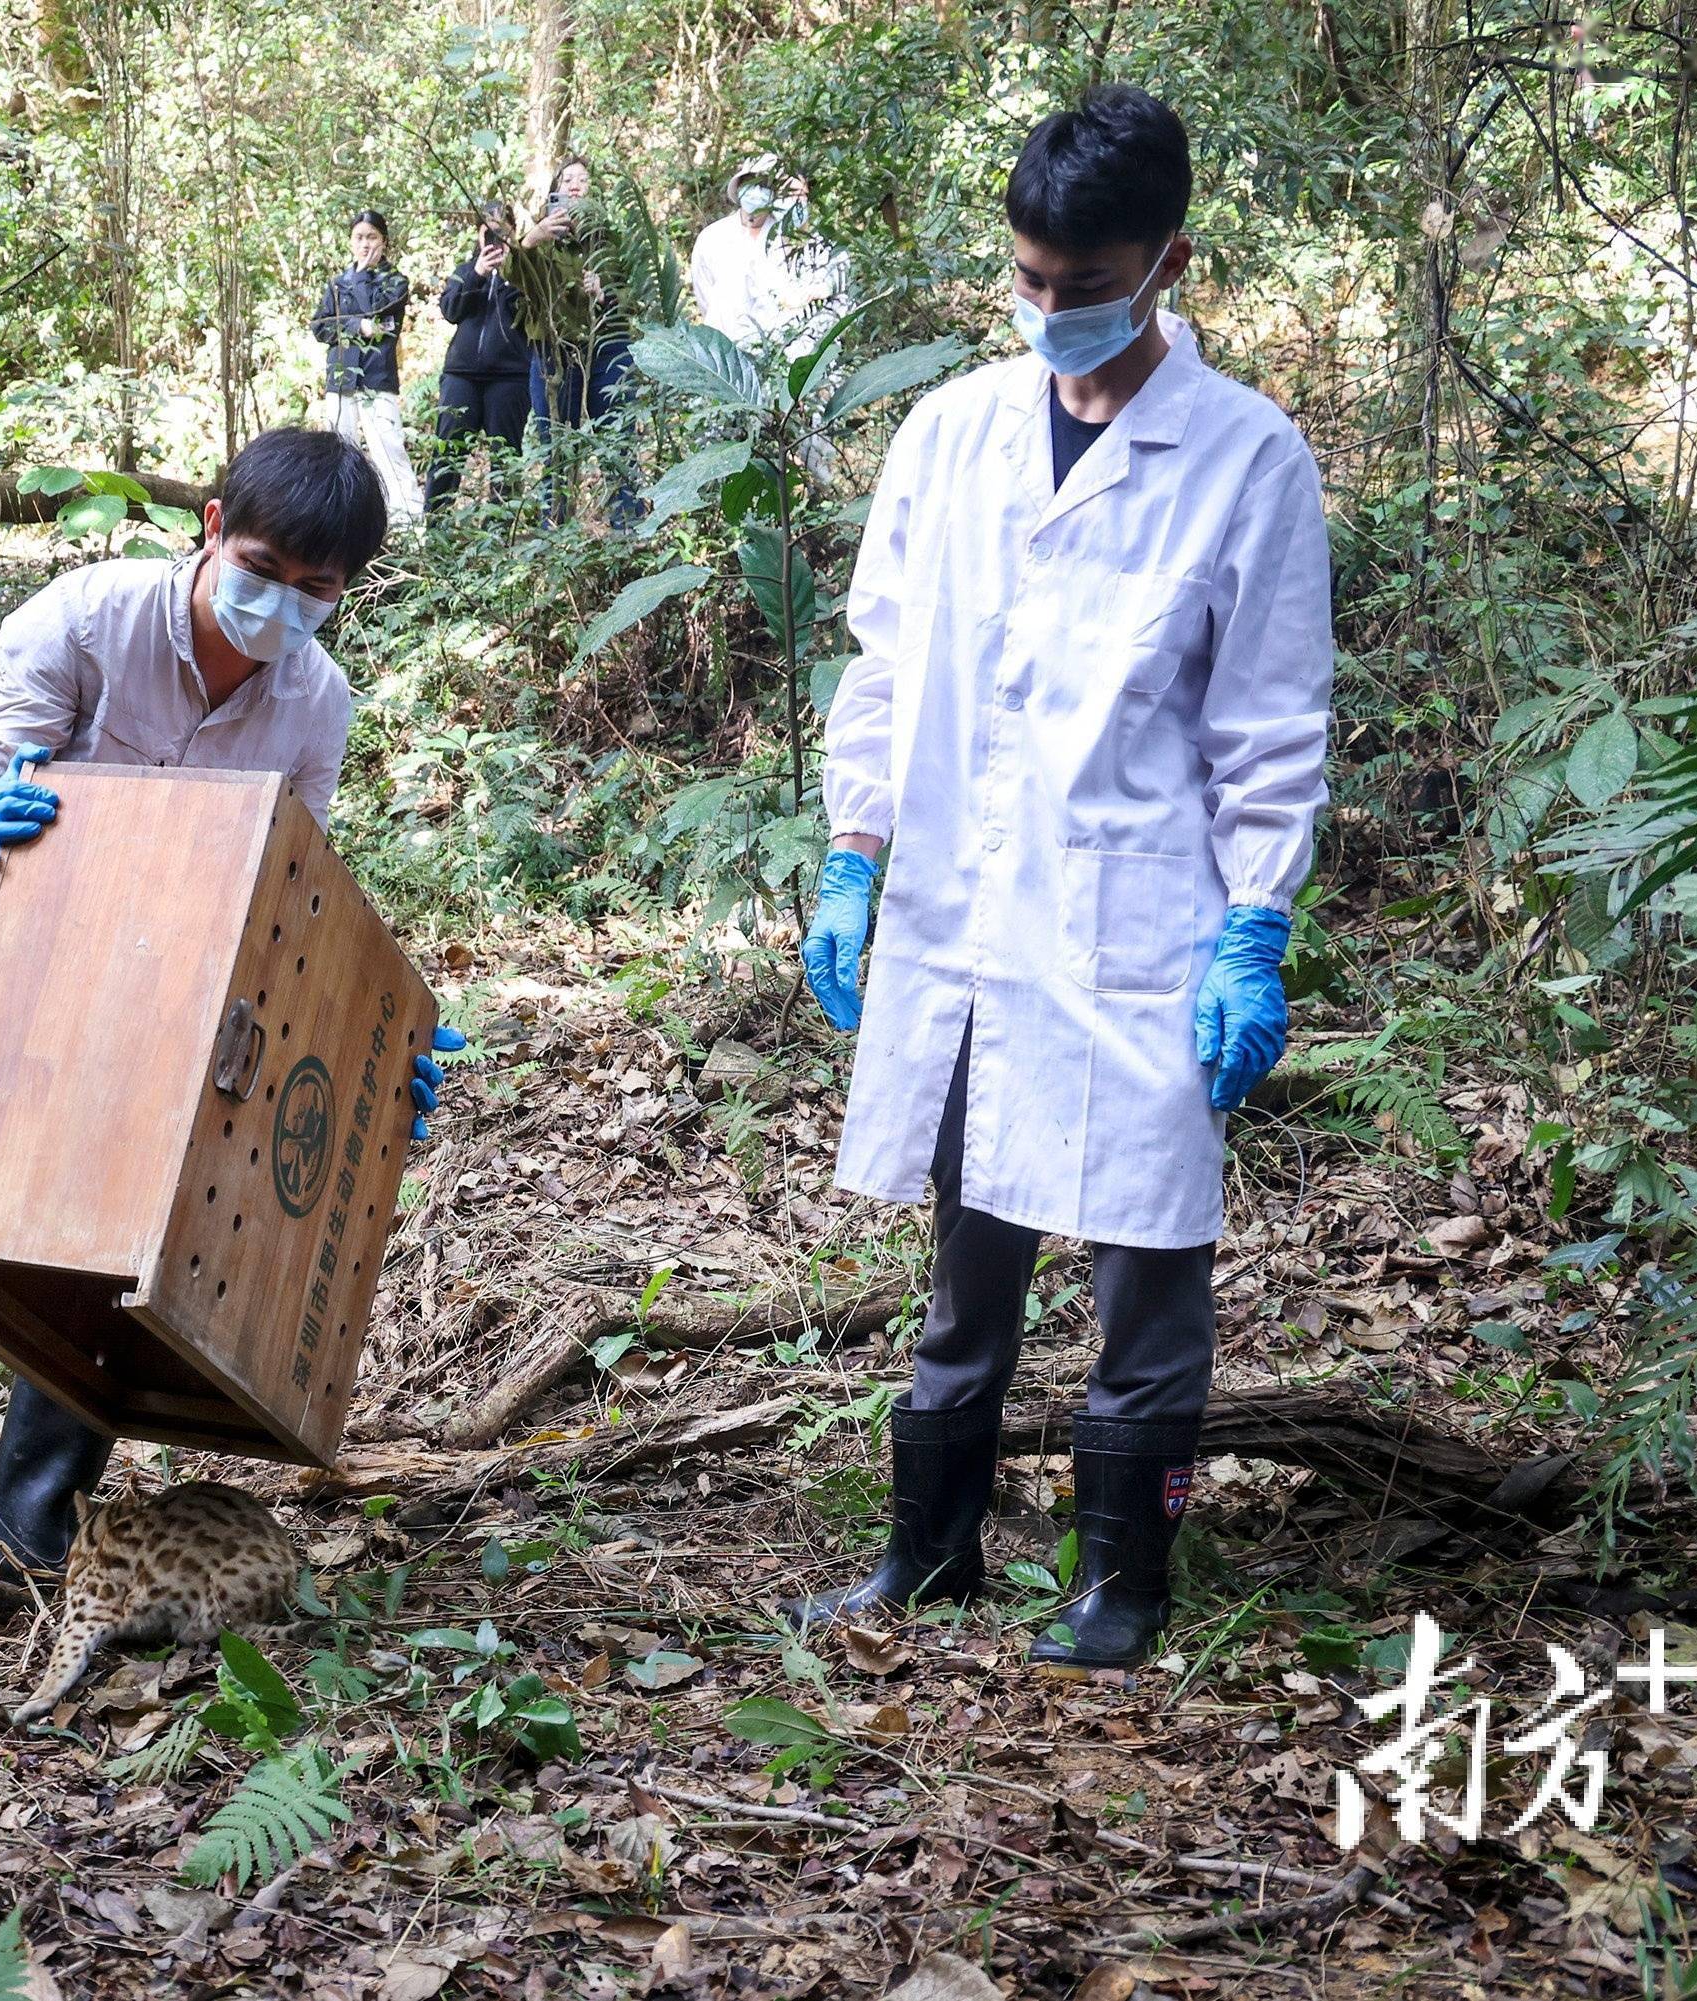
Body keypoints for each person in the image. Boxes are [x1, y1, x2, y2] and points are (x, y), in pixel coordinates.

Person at [790, 85, 1333, 1670]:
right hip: (967, 910)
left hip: (1143, 916)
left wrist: (1253, 924)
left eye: (1083, 288)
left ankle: (1121, 1580)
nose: (1048, 313)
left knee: (1150, 1263)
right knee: (969, 1251)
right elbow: (886, 663)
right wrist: (852, 852)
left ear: (1169, 260)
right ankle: (927, 1553)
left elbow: (1271, 723)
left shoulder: (1248, 457)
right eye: (1026, 280)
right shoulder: (948, 433)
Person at [0, 429, 471, 1578]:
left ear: (346, 592)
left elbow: (290, 888)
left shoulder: (315, 707)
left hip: (163, 966)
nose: (280, 606)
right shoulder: (85, 617)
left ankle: (32, 1514)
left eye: (316, 592)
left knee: (125, 1201)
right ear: (212, 526)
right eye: (263, 569)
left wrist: (368, 1041)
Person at [506, 157, 639, 523]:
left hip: (607, 346)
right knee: (557, 448)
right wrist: (532, 239)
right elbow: (514, 276)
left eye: (584, 179)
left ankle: (628, 530)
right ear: (554, 191)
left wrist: (603, 294)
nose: (576, 185)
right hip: (555, 350)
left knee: (618, 440)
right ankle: (556, 533)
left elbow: (631, 294)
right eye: (567, 180)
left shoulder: (609, 240)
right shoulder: (541, 239)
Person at [311, 211, 422, 530]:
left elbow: (383, 319)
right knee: (339, 449)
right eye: (359, 238)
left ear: (384, 242)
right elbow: (320, 326)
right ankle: (340, 519)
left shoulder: (395, 282)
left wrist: (360, 281)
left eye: (371, 237)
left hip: (376, 378)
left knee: (389, 448)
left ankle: (409, 523)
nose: (365, 244)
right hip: (341, 377)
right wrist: (357, 325)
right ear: (350, 242)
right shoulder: (336, 284)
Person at [426, 201, 534, 515]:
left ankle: (501, 533)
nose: (495, 238)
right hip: (462, 374)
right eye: (490, 231)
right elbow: (450, 310)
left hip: (509, 375)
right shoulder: (465, 270)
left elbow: (536, 312)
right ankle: (437, 524)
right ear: (479, 234)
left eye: (503, 230)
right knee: (448, 450)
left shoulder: (526, 273)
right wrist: (478, 274)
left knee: (506, 455)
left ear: (513, 233)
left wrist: (513, 274)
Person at [688, 159, 806, 349]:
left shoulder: (785, 239)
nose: (757, 191)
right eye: (751, 183)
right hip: (724, 346)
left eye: (764, 185)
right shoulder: (712, 237)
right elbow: (704, 293)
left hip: (774, 349)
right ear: (740, 187)